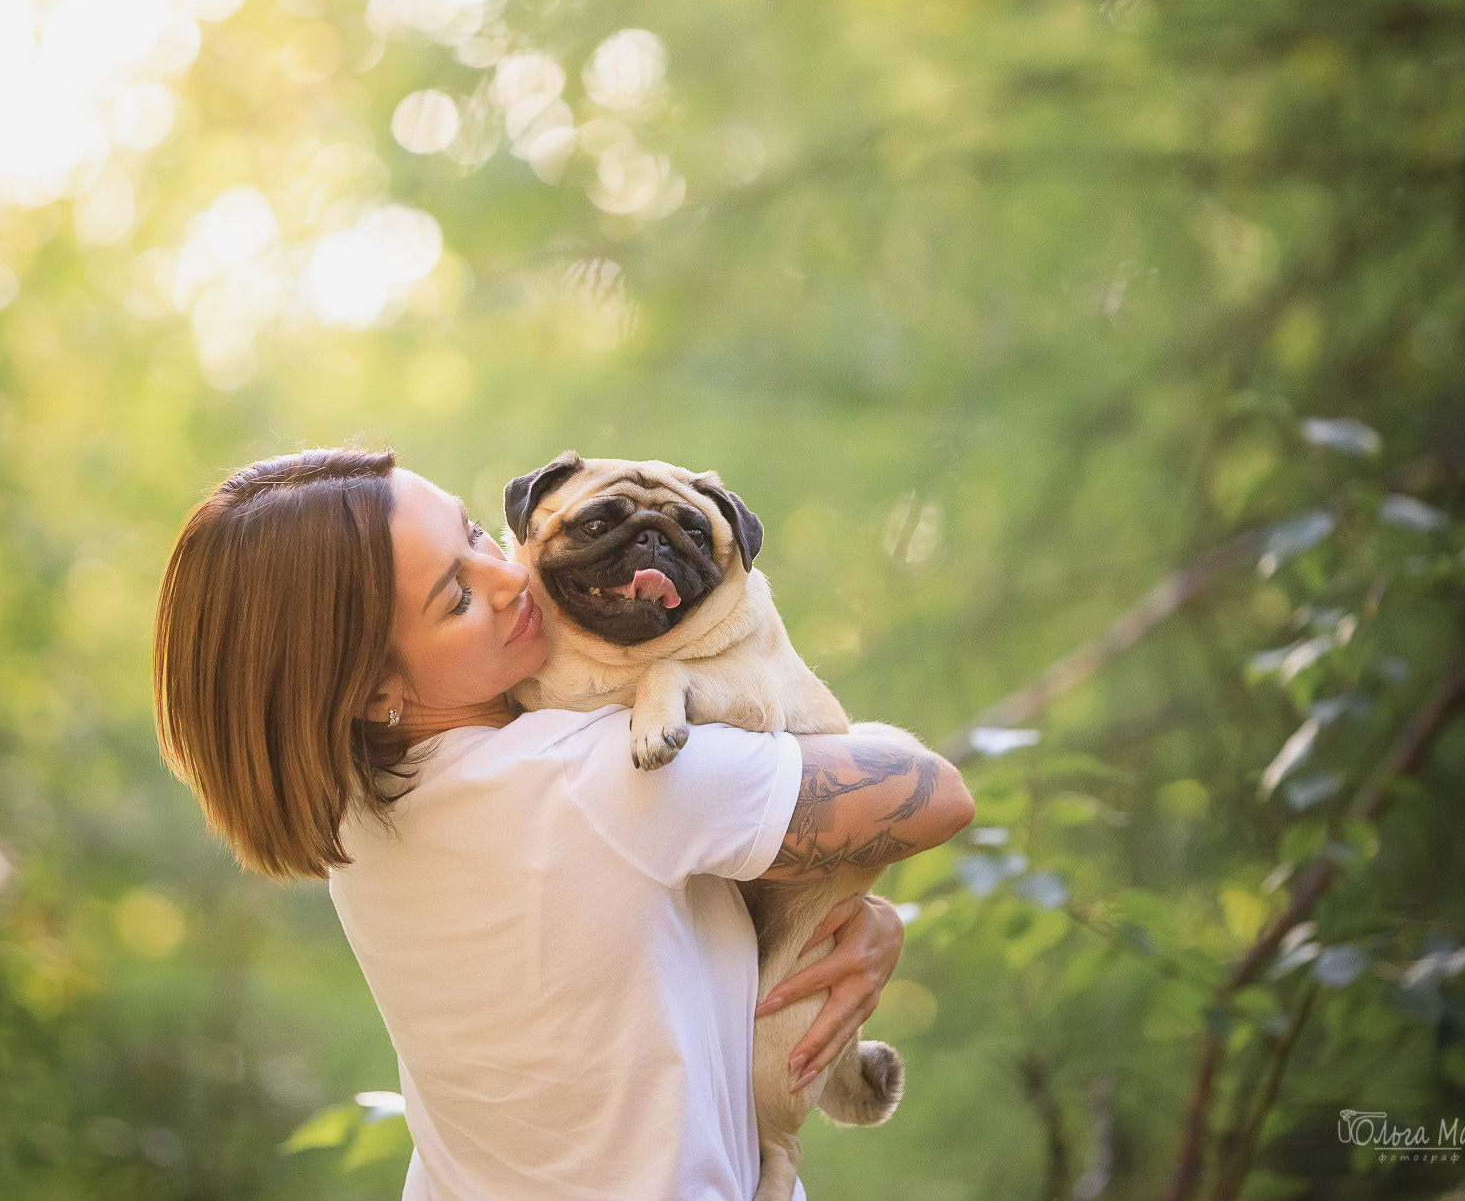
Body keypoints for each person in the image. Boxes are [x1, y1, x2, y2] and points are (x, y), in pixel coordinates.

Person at [151, 447, 973, 1199]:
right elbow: (935, 795)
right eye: (458, 596)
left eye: (476, 533)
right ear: (373, 691)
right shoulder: (595, 776)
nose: (508, 579)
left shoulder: (358, 812)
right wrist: (861, 911)